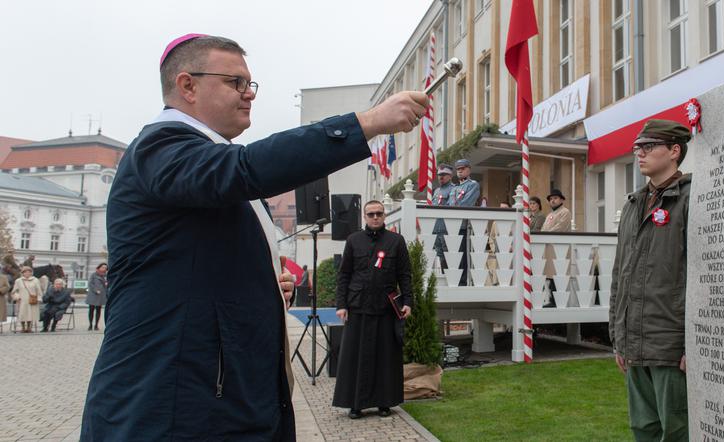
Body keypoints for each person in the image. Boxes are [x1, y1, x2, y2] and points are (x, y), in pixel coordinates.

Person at [80, 34, 428, 441]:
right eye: (235, 83)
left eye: (250, 84)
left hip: (218, 398)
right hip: (173, 406)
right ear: (187, 85)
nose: (249, 95)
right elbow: (246, 168)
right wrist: (366, 123)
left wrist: (262, 283)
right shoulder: (161, 146)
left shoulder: (201, 156)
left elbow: (198, 263)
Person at [609, 119, 692, 441]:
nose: (639, 154)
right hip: (633, 340)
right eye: (636, 148)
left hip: (669, 341)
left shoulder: (689, 198)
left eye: (648, 147)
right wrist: (618, 336)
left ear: (674, 151)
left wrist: (692, 343)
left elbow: (700, 275)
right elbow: (621, 273)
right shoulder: (633, 204)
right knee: (642, 427)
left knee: (677, 430)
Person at [333, 200, 413, 419]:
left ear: (384, 215)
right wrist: (341, 305)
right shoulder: (353, 240)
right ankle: (355, 404)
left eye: (379, 213)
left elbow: (405, 274)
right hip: (358, 307)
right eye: (371, 214)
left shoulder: (396, 241)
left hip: (386, 308)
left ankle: (384, 403)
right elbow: (344, 275)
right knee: (355, 358)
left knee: (385, 358)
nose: (375, 217)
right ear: (365, 217)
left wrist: (408, 302)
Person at [450, 159, 480, 285]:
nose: (460, 171)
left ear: (469, 169)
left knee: (464, 255)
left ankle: (464, 282)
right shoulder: (454, 188)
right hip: (452, 225)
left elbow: (466, 203)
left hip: (464, 224)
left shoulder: (472, 185)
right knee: (453, 255)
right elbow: (449, 205)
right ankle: (456, 280)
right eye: (458, 169)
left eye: (463, 168)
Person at [432, 164, 455, 272]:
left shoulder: (454, 189)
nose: (441, 177)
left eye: (444, 175)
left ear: (450, 176)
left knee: (448, 253)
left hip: (447, 228)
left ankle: (449, 278)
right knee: (439, 253)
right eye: (439, 175)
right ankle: (443, 276)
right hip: (436, 227)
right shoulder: (436, 191)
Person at [11, 266, 42, 333]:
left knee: (30, 314)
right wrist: (17, 297)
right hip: (22, 300)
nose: (27, 273)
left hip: (32, 300)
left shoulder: (36, 280)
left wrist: (39, 298)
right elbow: (14, 291)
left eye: (29, 272)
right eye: (25, 272)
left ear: (31, 273)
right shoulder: (18, 281)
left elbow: (39, 290)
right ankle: (23, 327)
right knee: (22, 314)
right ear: (23, 273)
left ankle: (29, 327)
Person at [85, 263, 107, 331]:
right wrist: (95, 290)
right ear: (99, 267)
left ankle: (96, 325)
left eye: (105, 268)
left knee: (98, 310)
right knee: (91, 310)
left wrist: (106, 284)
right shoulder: (93, 275)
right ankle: (90, 325)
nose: (104, 269)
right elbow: (90, 284)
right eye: (102, 267)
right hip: (93, 294)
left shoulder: (105, 276)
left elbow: (106, 284)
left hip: (101, 295)